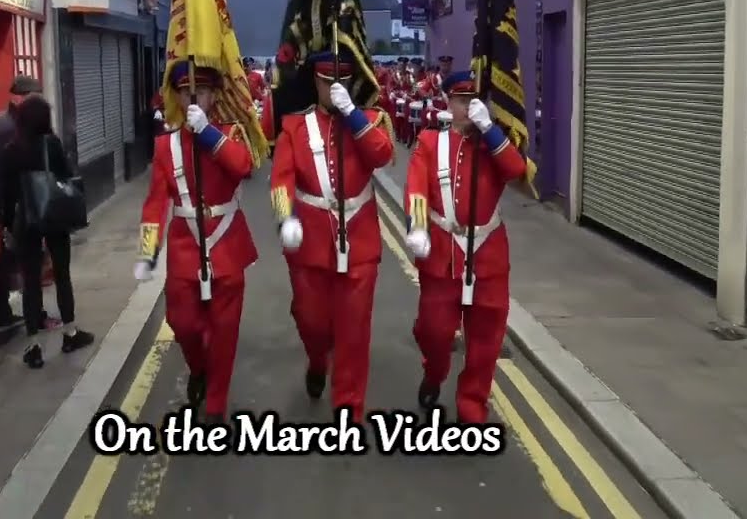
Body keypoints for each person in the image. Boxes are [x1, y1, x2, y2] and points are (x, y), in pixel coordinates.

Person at [271, 48, 394, 421]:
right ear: (316, 82)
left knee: (354, 331)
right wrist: (284, 218)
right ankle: (316, 360)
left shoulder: (369, 121)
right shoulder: (295, 126)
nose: (333, 88)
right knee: (313, 323)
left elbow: (383, 155)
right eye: (327, 82)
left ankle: (349, 410)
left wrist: (353, 115)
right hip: (310, 243)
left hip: (360, 241)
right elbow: (281, 180)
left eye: (340, 82)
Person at [134, 63, 257, 422]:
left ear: (214, 95)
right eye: (186, 92)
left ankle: (216, 402)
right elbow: (155, 204)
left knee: (225, 332)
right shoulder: (165, 145)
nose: (192, 98)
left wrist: (208, 136)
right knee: (182, 321)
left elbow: (243, 166)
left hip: (228, 245)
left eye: (200, 92)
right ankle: (199, 368)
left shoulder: (229, 134)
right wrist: (147, 249)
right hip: (186, 248)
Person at [403, 70, 527, 422]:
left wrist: (490, 129)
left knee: (485, 341)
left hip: (487, 254)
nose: (468, 107)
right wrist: (417, 225)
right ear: (448, 102)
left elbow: (516, 170)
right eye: (461, 101)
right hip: (442, 253)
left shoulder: (494, 144)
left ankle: (472, 406)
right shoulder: (430, 142)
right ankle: (434, 371)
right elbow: (416, 188)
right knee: (434, 332)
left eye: (474, 100)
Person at [0, 91, 95, 368]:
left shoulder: (11, 150)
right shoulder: (51, 144)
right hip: (53, 217)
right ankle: (70, 334)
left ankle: (33, 346)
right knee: (62, 275)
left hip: (25, 221)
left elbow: (6, 195)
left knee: (30, 283)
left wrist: (6, 227)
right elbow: (65, 177)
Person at [0, 74, 38, 340]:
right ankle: (8, 315)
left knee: (12, 258)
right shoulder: (9, 127)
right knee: (13, 259)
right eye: (32, 96)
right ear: (20, 97)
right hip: (16, 203)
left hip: (12, 202)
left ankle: (6, 313)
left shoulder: (6, 123)